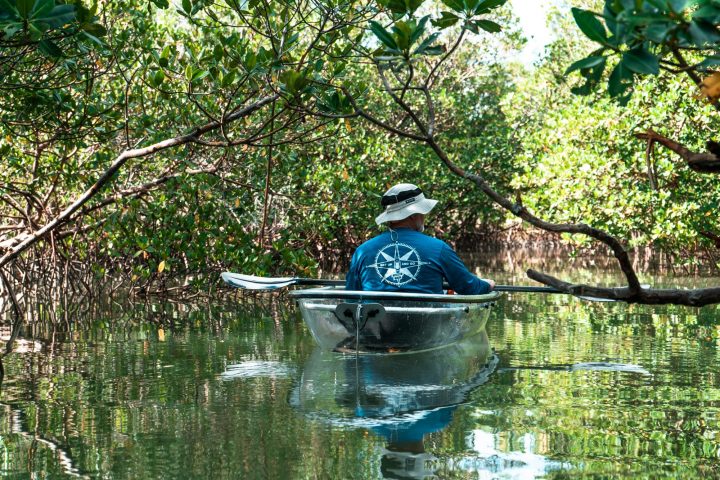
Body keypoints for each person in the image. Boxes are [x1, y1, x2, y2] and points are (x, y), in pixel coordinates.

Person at [345, 183, 495, 294]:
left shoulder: (362, 252)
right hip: (426, 328)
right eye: (422, 212)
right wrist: (487, 285)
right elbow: (469, 287)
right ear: (413, 215)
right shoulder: (439, 248)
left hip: (376, 329)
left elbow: (351, 296)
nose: (424, 216)